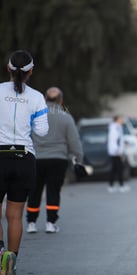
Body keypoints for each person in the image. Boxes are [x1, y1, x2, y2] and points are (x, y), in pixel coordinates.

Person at [0, 50, 49, 274]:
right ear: (30, 72)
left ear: (8, 68)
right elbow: (42, 132)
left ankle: (0, 253)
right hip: (24, 158)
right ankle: (11, 260)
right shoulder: (37, 97)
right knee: (14, 215)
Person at [26, 87, 83, 234]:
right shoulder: (66, 117)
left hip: (36, 159)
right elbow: (74, 141)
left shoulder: (35, 116)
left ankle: (31, 222)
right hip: (58, 159)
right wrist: (78, 159)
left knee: (35, 191)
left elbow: (26, 135)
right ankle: (50, 223)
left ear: (45, 99)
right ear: (60, 100)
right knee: (53, 191)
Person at [107, 115, 129, 193]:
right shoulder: (115, 128)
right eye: (120, 119)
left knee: (115, 169)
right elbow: (114, 140)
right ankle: (120, 186)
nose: (122, 120)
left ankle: (112, 186)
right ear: (117, 120)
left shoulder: (118, 127)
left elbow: (120, 140)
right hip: (116, 153)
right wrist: (117, 151)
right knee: (118, 169)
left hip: (116, 152)